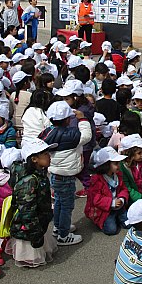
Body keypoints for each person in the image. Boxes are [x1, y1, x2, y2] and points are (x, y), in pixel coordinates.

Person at [40, 101, 91, 245]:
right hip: (67, 176)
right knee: (67, 205)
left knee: (59, 203)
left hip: (55, 174)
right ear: (68, 119)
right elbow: (86, 136)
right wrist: (82, 119)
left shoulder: (46, 132)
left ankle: (58, 227)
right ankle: (64, 234)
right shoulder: (72, 135)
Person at [6, 139, 58, 267]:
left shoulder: (40, 173)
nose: (49, 157)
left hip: (39, 220)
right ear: (34, 159)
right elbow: (27, 210)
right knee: (30, 247)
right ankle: (29, 257)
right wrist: (35, 234)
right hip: (30, 225)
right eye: (45, 154)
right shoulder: (29, 181)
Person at [85, 146, 129, 235]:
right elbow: (96, 199)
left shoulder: (118, 175)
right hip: (104, 209)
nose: (118, 166)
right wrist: (111, 203)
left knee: (129, 224)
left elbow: (124, 189)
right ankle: (101, 220)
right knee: (111, 230)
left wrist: (122, 198)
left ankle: (117, 217)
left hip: (118, 205)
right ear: (106, 165)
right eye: (116, 163)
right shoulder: (96, 179)